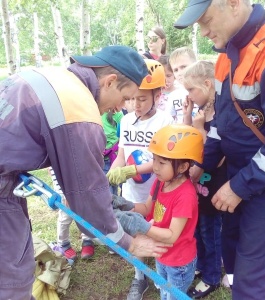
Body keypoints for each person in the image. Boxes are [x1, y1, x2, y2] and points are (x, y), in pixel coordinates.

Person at [0, 45, 172, 300]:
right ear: (110, 81)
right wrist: (129, 243)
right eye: (125, 98)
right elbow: (88, 200)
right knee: (11, 281)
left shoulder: (53, 77)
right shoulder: (80, 114)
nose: (120, 108)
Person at [174, 1, 265, 299]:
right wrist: (200, 164)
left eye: (206, 20)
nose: (203, 32)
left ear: (233, 4)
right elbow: (221, 124)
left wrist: (239, 187)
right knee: (232, 260)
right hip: (235, 178)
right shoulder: (225, 58)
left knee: (252, 281)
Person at [107, 59, 174, 300]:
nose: (136, 104)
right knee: (135, 231)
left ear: (158, 94)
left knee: (155, 230)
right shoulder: (126, 120)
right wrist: (116, 170)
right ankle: (139, 277)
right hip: (131, 193)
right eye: (132, 98)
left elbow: (163, 159)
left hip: (155, 190)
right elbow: (122, 153)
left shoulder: (165, 121)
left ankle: (162, 273)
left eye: (143, 99)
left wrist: (131, 171)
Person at [131, 124, 204, 300]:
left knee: (173, 296)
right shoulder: (160, 182)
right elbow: (148, 208)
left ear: (182, 167)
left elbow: (171, 235)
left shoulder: (185, 195)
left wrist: (142, 226)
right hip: (161, 253)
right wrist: (127, 206)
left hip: (178, 262)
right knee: (164, 290)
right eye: (154, 159)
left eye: (162, 163)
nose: (155, 167)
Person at [182, 61, 226, 298]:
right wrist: (188, 117)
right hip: (198, 187)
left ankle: (212, 276)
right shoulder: (200, 113)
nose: (188, 95)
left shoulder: (219, 114)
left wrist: (200, 127)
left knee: (211, 231)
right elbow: (186, 140)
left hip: (214, 186)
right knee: (198, 229)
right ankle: (201, 265)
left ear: (208, 84)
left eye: (191, 90)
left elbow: (215, 157)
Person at [49, 167, 95, 260]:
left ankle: (87, 240)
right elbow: (56, 174)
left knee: (85, 215)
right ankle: (63, 244)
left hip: (81, 187)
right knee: (65, 218)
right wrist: (65, 194)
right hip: (63, 190)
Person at [167, 47, 199, 123]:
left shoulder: (204, 90)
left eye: (183, 67)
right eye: (176, 70)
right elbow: (171, 119)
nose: (180, 73)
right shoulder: (173, 96)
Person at [102, 110, 124, 195]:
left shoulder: (118, 114)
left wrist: (112, 148)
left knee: (111, 189)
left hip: (113, 158)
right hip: (99, 159)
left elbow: (121, 136)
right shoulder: (95, 111)